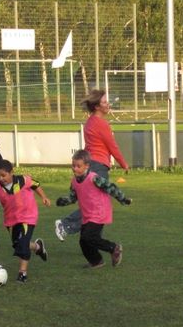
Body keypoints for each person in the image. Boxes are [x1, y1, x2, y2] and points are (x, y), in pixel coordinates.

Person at [55, 89, 130, 242]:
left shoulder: (89, 122)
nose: (108, 104)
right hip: (98, 165)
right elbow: (112, 146)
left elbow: (89, 146)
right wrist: (124, 164)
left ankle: (93, 239)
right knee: (95, 205)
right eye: (104, 102)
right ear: (97, 106)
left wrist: (84, 164)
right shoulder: (101, 123)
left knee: (96, 203)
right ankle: (66, 224)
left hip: (92, 164)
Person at [56, 149, 132, 269]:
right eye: (73, 165)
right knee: (83, 241)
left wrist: (123, 199)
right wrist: (63, 201)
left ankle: (113, 248)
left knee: (89, 237)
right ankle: (96, 261)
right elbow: (73, 198)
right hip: (87, 215)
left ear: (87, 166)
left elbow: (111, 188)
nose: (75, 168)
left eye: (78, 166)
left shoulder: (94, 178)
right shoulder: (74, 182)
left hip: (100, 212)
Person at [0, 160, 50, 284]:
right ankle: (37, 247)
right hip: (11, 220)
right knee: (18, 244)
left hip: (28, 216)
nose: (1, 178)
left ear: (11, 172)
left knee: (22, 244)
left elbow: (36, 184)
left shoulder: (23, 180)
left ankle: (22, 273)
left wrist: (44, 197)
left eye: (3, 175)